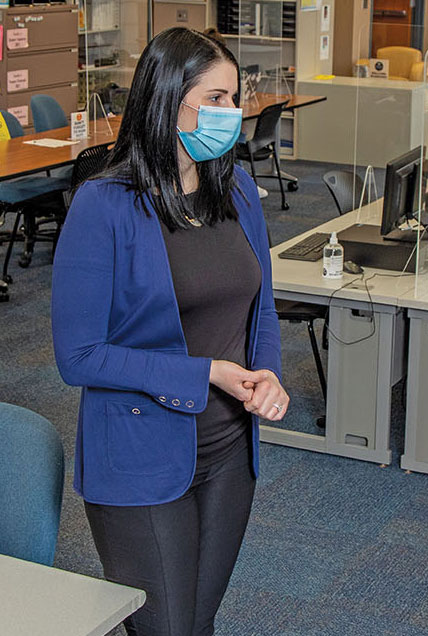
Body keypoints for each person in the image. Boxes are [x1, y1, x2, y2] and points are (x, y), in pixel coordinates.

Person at [51, 27, 289, 636]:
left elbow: (259, 306)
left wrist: (270, 379)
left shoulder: (236, 188)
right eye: (215, 98)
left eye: (234, 97)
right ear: (166, 98)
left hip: (230, 451)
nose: (230, 114)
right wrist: (204, 373)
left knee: (198, 623)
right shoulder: (102, 205)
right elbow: (78, 357)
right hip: (139, 455)